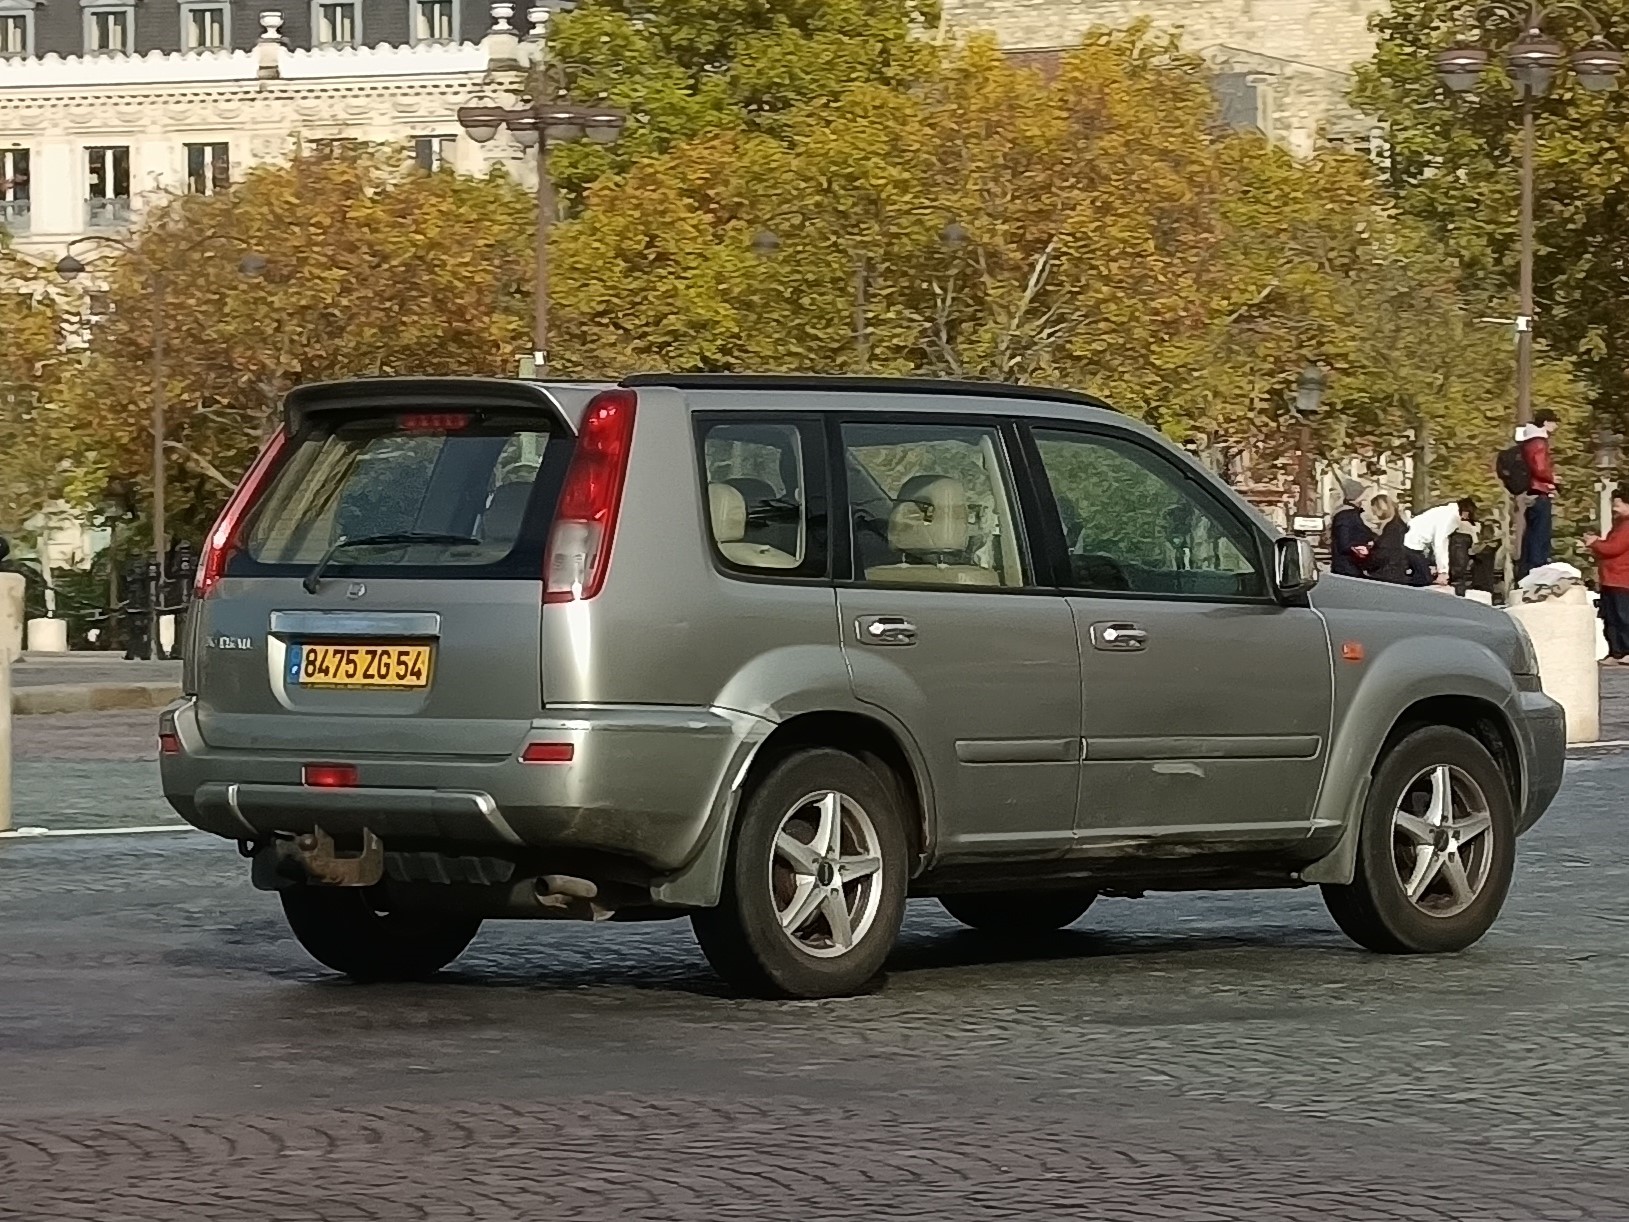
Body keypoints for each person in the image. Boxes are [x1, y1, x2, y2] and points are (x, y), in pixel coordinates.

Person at [1586, 486, 1629, 664]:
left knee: (1623, 617)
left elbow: (1614, 548)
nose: (1614, 508)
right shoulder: (1619, 526)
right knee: (1610, 617)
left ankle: (1626, 649)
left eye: (1618, 505)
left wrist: (1595, 543)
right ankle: (1615, 651)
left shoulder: (1626, 527)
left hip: (1622, 580)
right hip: (1610, 579)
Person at [1518, 409, 1560, 576]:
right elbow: (1540, 467)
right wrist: (1552, 479)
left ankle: (1527, 569)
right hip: (1540, 490)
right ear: (1545, 423)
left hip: (1532, 491)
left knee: (1531, 534)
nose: (1556, 426)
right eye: (1554, 422)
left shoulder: (1528, 441)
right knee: (1540, 535)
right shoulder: (1539, 442)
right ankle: (1538, 569)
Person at [1403, 498, 1478, 588]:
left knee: (1421, 575)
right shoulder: (1450, 518)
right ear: (1466, 513)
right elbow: (1440, 543)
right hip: (1412, 543)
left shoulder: (1445, 511)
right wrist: (1443, 571)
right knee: (1424, 578)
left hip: (1412, 542)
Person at [1328, 479, 1375, 578]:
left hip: (1350, 568)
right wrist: (1361, 546)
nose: (1365, 498)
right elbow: (1344, 543)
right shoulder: (1346, 516)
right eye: (1363, 495)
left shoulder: (1350, 514)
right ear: (1357, 497)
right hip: (1348, 570)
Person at [1364, 494, 1410, 583]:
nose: (1373, 513)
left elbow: (1385, 552)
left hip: (1387, 573)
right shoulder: (1397, 525)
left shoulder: (1393, 528)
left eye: (1374, 510)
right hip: (1393, 571)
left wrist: (1367, 561)